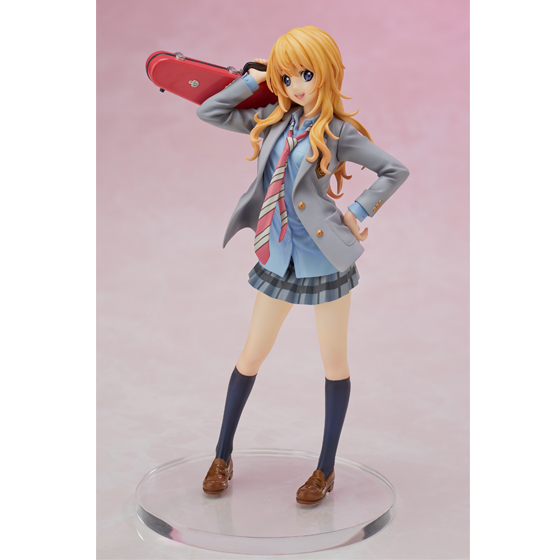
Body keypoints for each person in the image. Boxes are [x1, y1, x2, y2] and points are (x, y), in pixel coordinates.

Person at [195, 26, 409, 504]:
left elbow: (394, 170)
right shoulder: (271, 118)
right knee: (251, 356)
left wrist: (357, 212)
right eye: (286, 76)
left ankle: (325, 469)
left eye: (305, 75)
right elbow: (210, 111)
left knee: (333, 363)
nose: (295, 86)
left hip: (324, 257)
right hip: (277, 255)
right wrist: (253, 80)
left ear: (326, 73)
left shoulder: (338, 132)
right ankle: (222, 455)